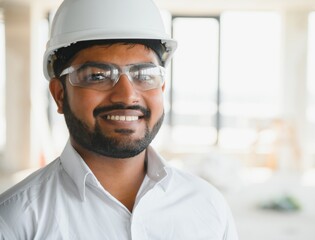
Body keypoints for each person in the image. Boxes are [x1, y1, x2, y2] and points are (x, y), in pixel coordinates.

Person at [0, 0, 239, 239]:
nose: (127, 95)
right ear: (60, 95)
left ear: (162, 88)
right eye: (97, 76)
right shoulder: (15, 220)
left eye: (144, 75)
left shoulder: (208, 206)